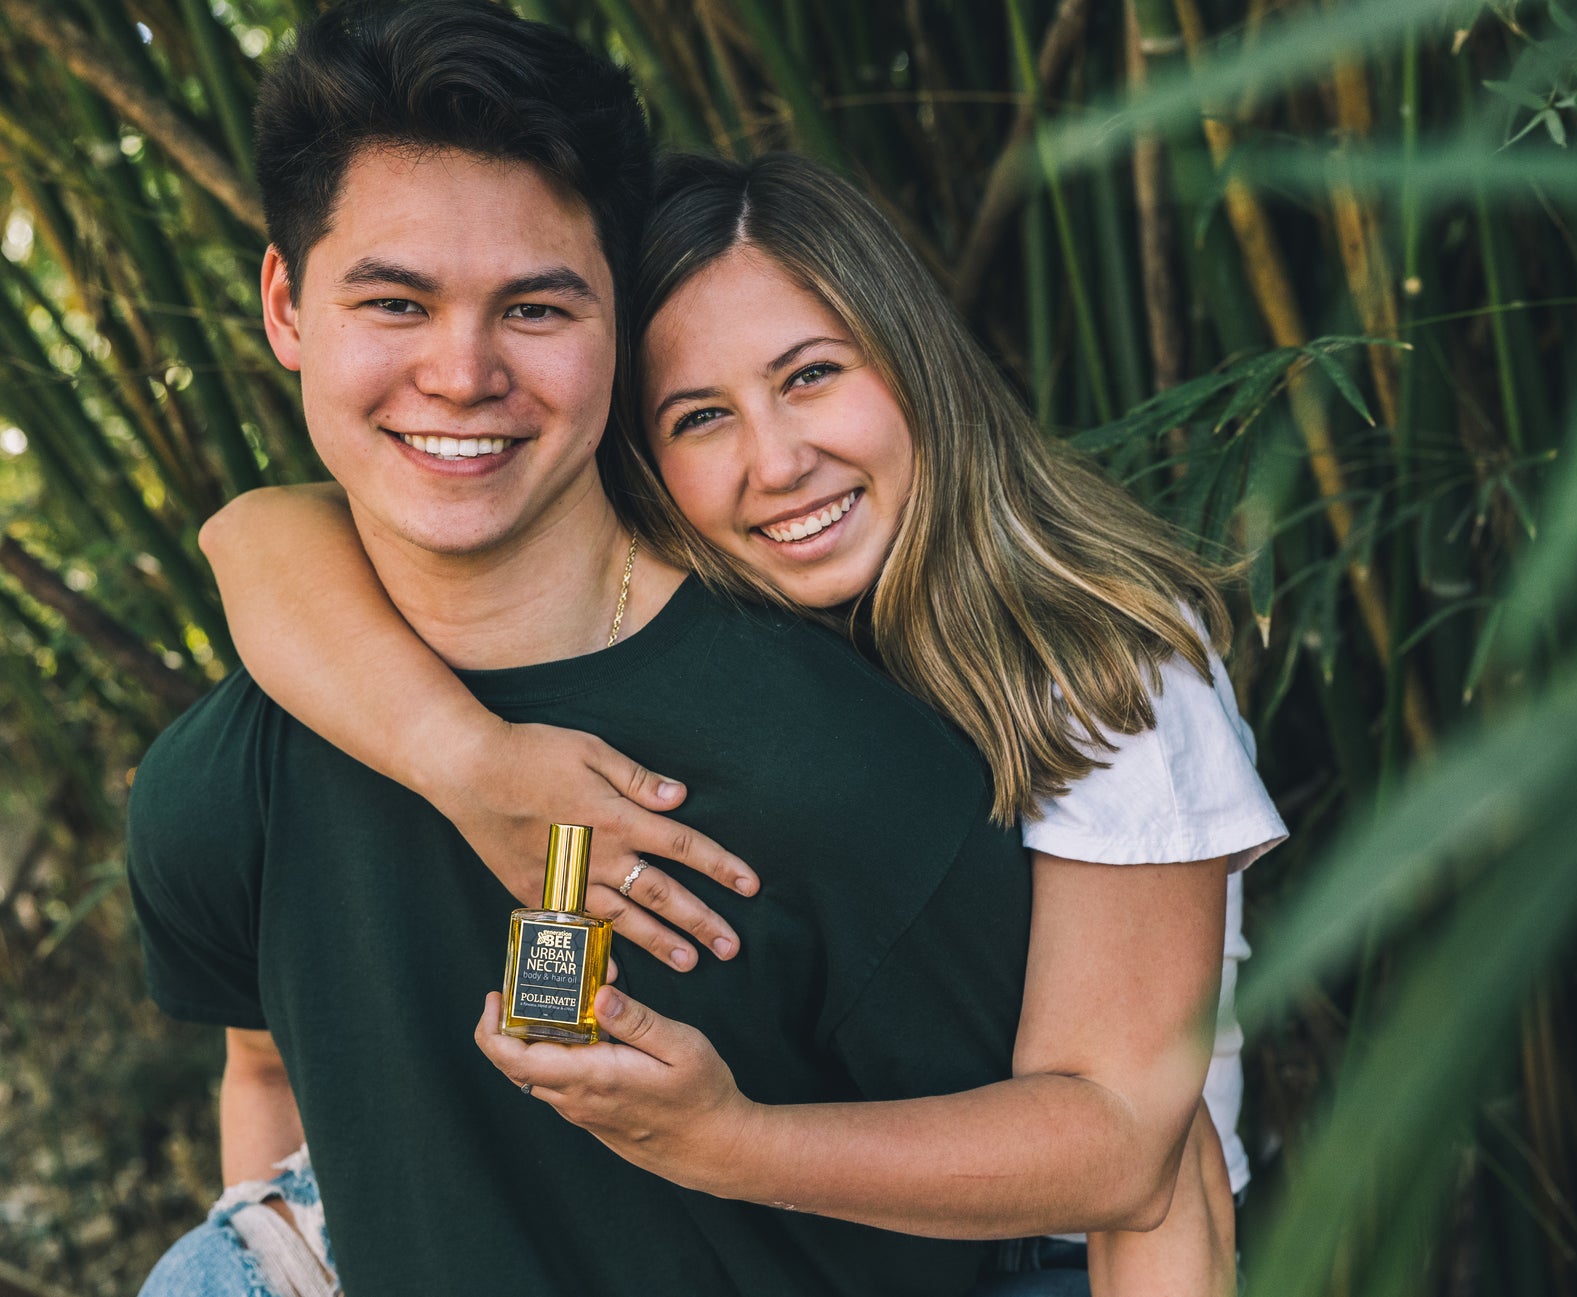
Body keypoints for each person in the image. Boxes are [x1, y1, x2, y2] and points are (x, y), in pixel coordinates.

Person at [197, 148, 1286, 1294]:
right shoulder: (676, 595)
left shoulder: (1097, 657)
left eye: (811, 375)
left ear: (913, 360)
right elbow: (257, 536)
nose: (777, 463)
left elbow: (1121, 1148)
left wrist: (726, 1140)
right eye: (699, 415)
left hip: (1067, 1251)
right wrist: (473, 766)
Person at [130, 5, 1039, 1295]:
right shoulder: (216, 789)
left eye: (536, 308)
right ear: (286, 307)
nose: (460, 372)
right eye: (394, 300)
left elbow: (1077, 1188)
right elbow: (267, 1073)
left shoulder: (858, 768)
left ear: (620, 316)